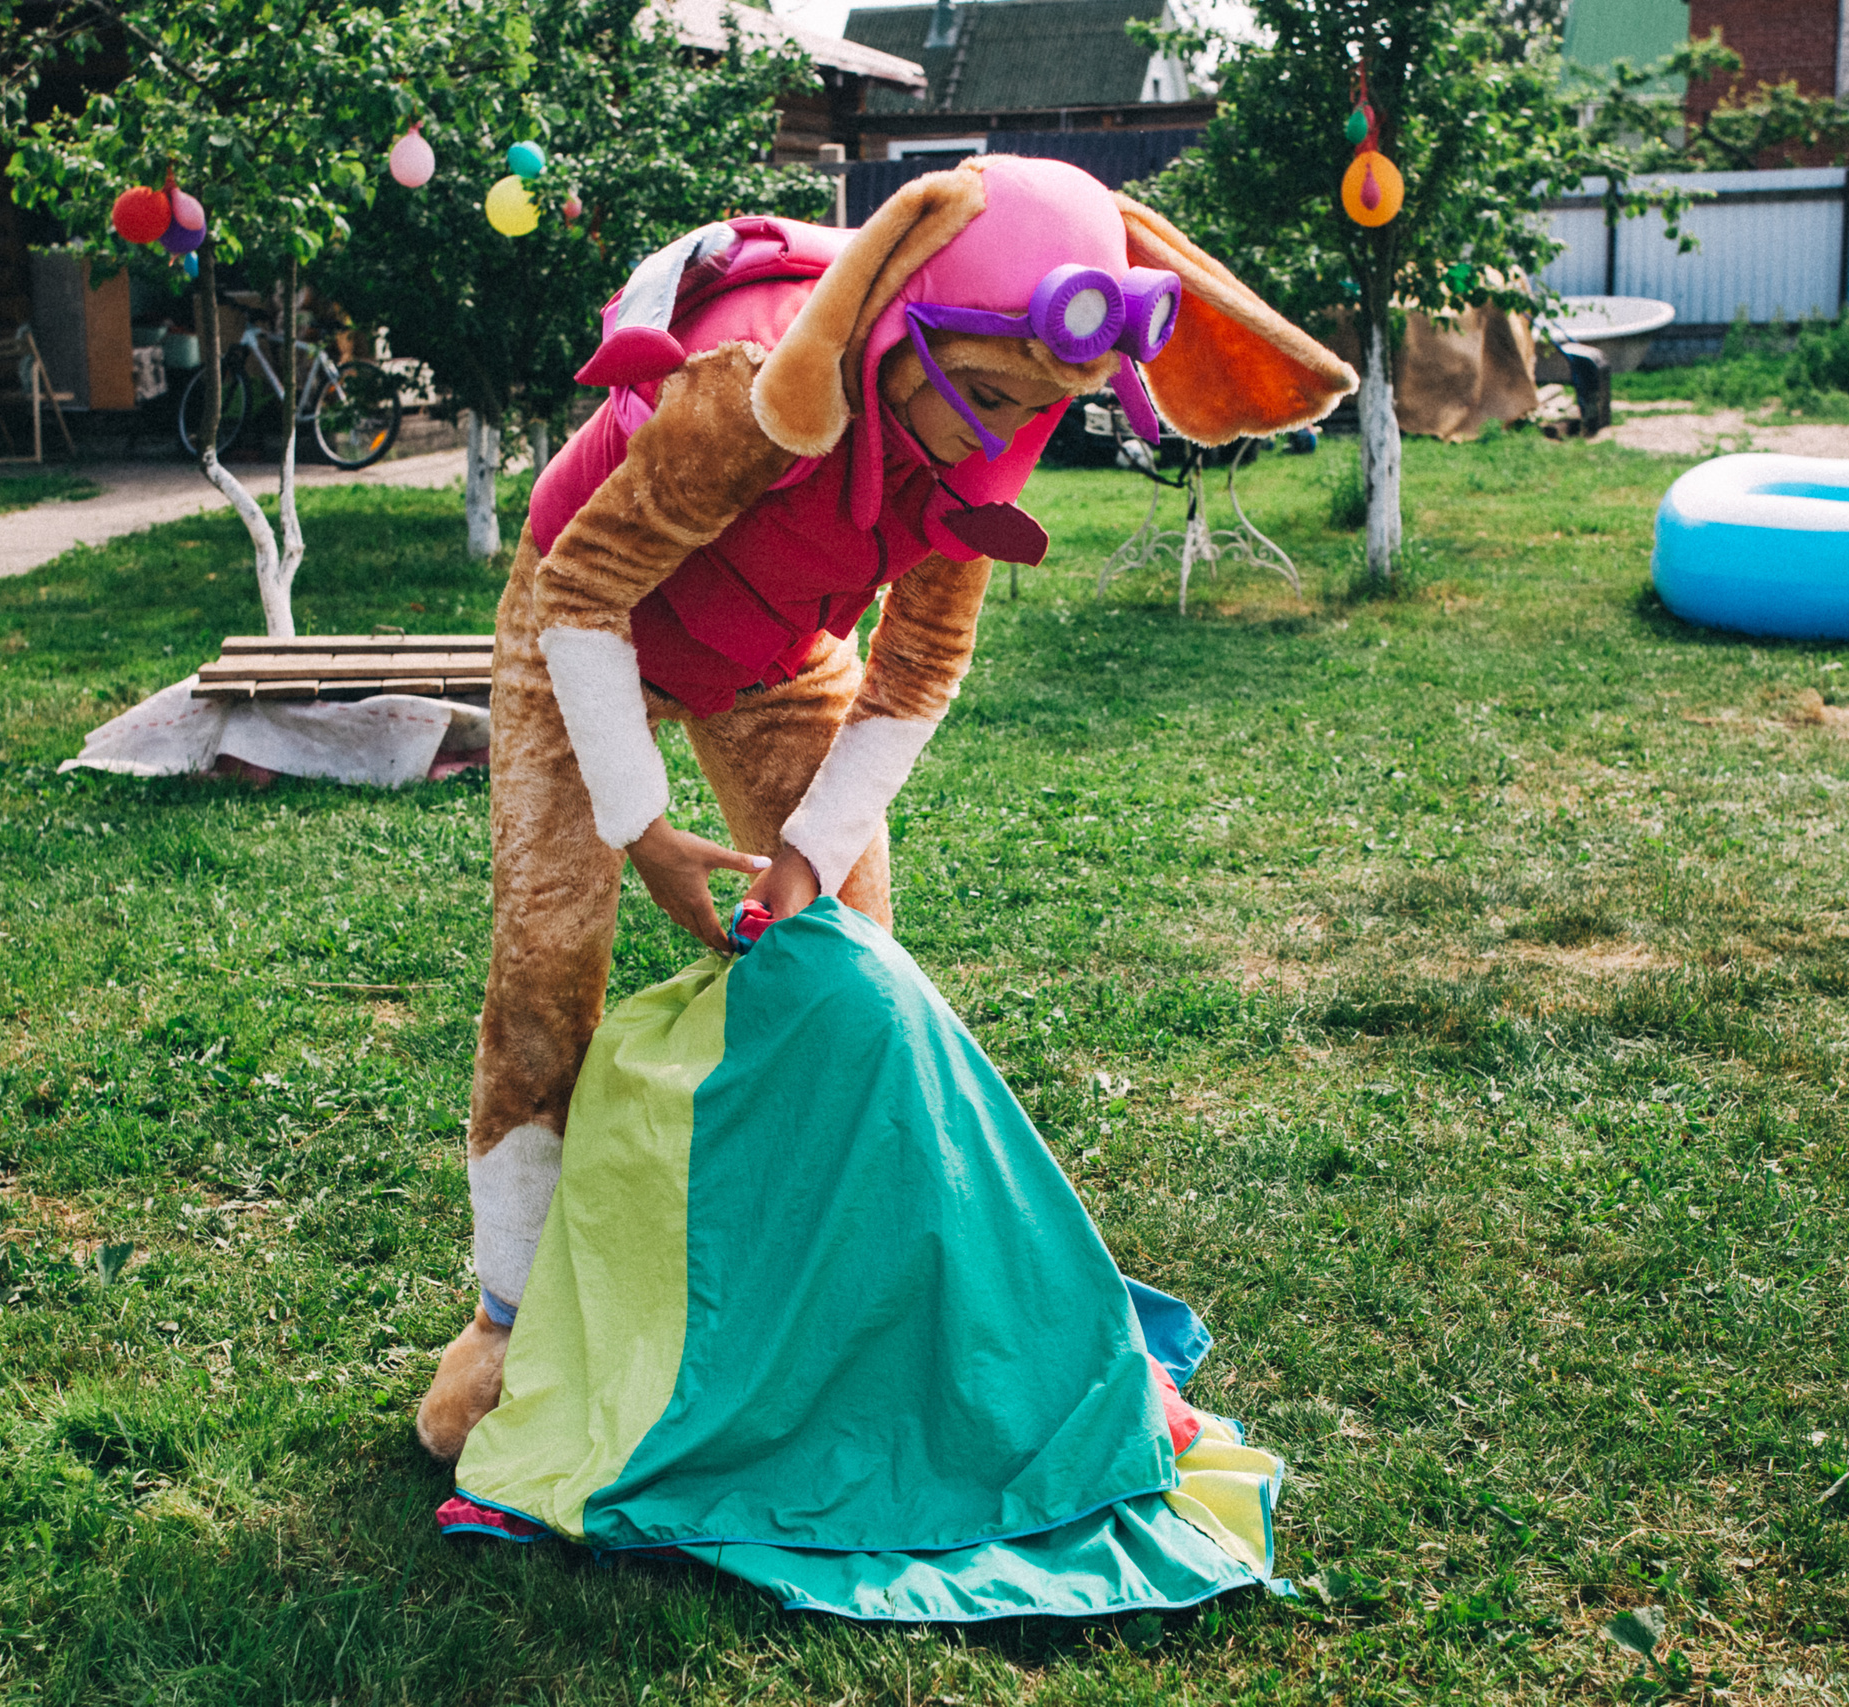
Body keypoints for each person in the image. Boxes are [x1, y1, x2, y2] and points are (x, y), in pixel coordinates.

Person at [416, 155, 1357, 1459]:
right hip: (589, 619)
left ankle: (857, 1288)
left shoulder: (986, 459)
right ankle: (510, 1317)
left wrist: (808, 854)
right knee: (545, 955)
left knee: (857, 967)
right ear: (893, 319)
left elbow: (917, 670)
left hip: (773, 648)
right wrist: (642, 827)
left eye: (1042, 411)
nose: (994, 439)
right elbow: (582, 595)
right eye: (977, 394)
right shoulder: (744, 391)